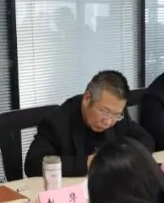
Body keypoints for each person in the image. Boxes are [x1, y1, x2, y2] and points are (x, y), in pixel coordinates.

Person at [24, 70, 155, 178]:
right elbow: (33, 164)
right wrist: (87, 163)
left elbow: (146, 139)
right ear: (87, 99)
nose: (108, 121)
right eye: (104, 111)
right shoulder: (57, 122)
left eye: (116, 115)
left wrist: (123, 157)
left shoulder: (117, 115)